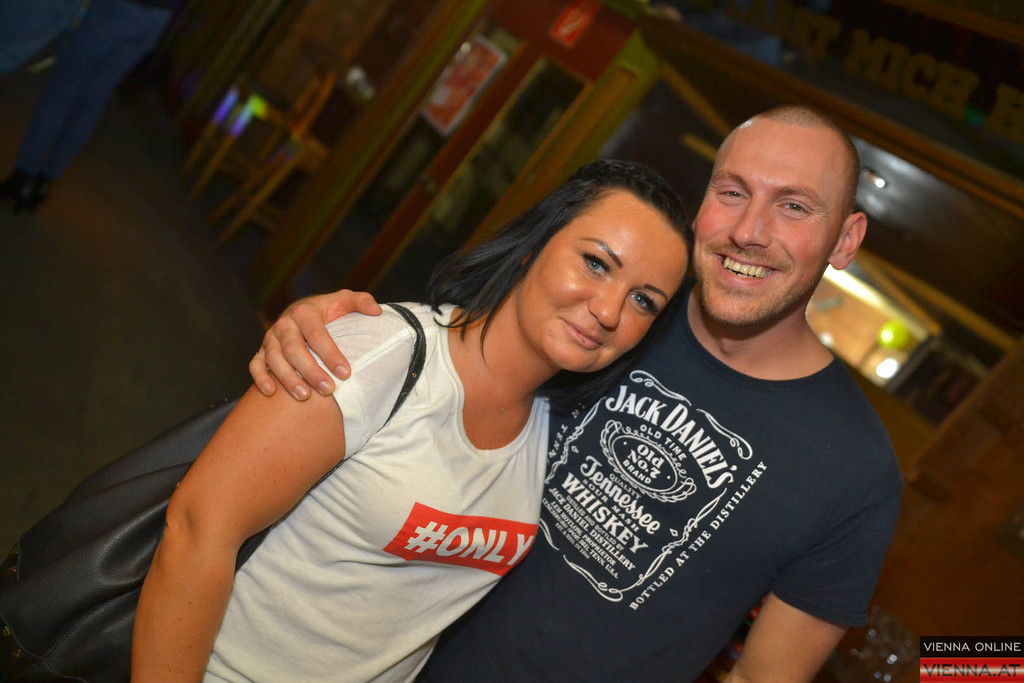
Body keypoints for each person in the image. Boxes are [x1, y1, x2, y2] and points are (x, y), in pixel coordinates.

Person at [250, 106, 903, 681]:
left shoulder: (856, 469)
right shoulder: (616, 308)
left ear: (845, 240)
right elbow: (448, 356)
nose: (749, 230)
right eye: (732, 192)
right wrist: (336, 325)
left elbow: (764, 676)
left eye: (794, 206)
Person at [131, 159, 690, 681]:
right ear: (534, 246)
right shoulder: (381, 355)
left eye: (644, 301)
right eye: (596, 263)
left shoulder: (557, 427)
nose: (609, 311)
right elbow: (197, 532)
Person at [0, 0, 176, 213]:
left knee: (62, 90)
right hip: (157, 18)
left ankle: (23, 175)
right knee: (93, 100)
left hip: (117, 7)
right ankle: (44, 181)